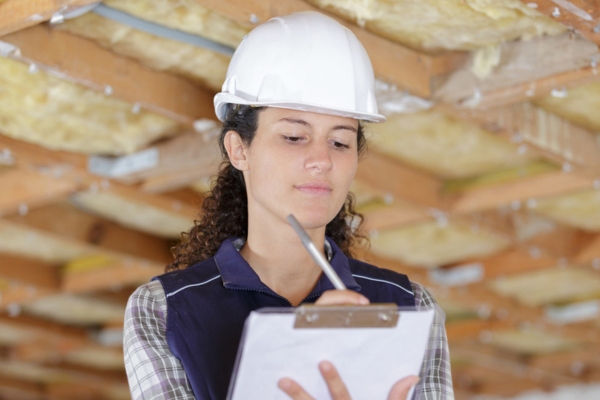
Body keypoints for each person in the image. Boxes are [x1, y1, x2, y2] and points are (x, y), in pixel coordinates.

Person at [124, 11, 454, 400]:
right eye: (295, 136)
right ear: (238, 149)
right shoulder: (164, 312)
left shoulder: (410, 309)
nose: (322, 160)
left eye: (340, 142)